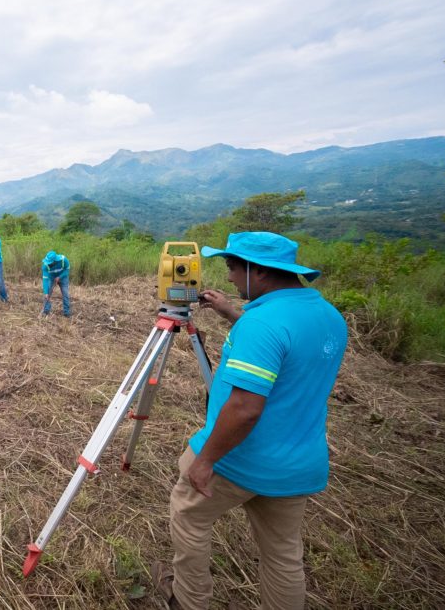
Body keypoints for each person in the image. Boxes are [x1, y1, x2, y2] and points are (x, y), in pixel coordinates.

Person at [153, 232, 348, 610]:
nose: (227, 277)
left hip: (239, 458)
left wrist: (206, 459)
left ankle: (189, 601)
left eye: (231, 268)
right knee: (283, 556)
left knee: (188, 515)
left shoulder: (262, 326)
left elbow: (245, 408)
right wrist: (233, 314)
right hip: (297, 464)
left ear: (257, 271)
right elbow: (285, 349)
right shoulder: (328, 316)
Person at [41, 251, 71, 317]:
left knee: (65, 294)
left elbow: (67, 270)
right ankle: (46, 311)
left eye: (50, 262)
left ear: (54, 260)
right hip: (51, 278)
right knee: (47, 294)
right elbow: (45, 280)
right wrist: (46, 292)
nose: (48, 264)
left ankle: (67, 312)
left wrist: (60, 277)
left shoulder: (64, 260)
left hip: (63, 277)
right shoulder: (45, 266)